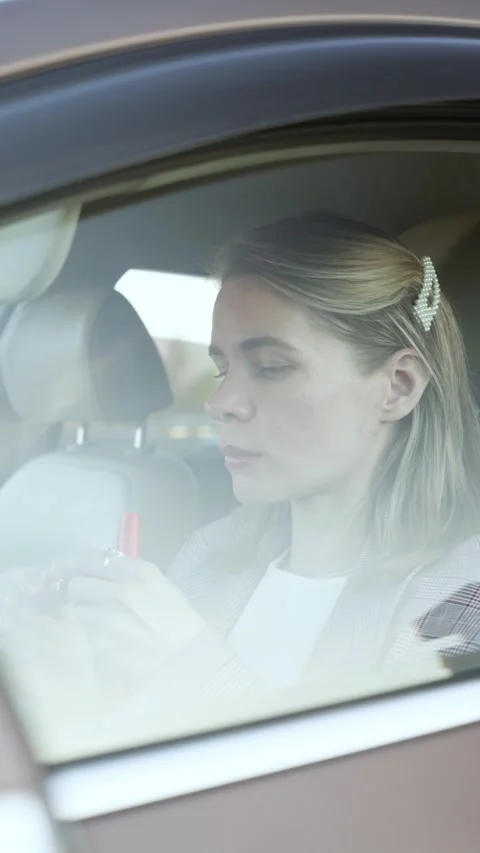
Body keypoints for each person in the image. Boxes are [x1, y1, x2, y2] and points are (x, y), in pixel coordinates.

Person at [4, 211, 480, 741]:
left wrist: (187, 665)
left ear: (397, 386)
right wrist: (64, 683)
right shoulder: (207, 555)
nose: (219, 402)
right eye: (221, 369)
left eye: (271, 367)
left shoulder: (463, 599)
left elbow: (382, 809)